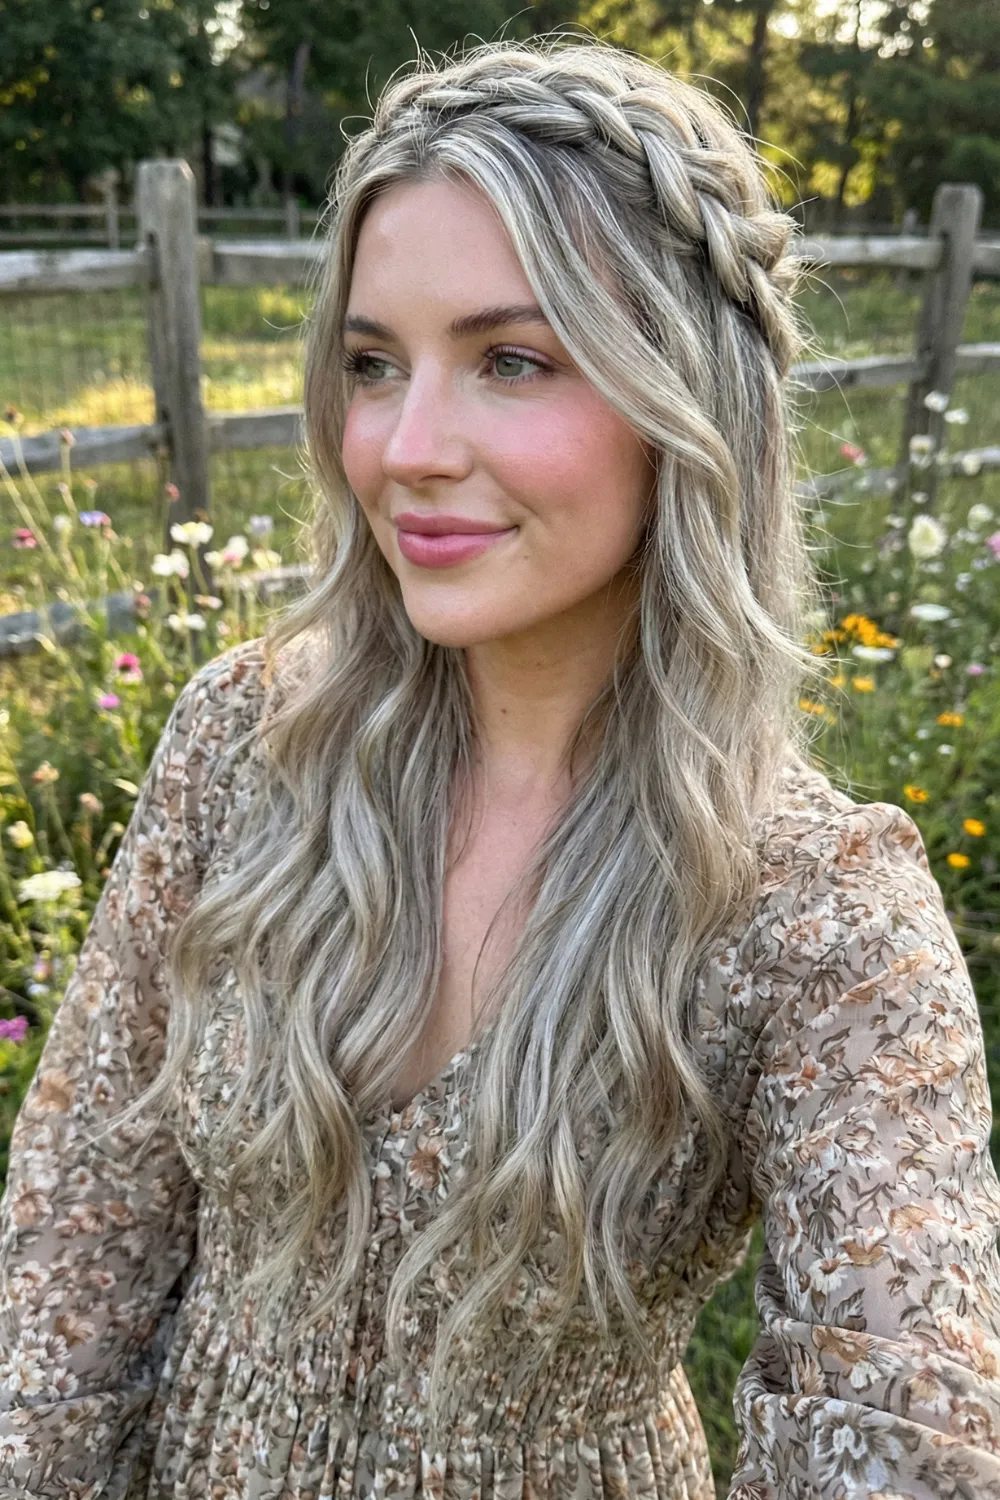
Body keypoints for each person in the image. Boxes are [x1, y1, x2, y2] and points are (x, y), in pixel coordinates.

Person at [1, 35, 999, 1500]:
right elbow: (73, 1246)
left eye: (511, 360)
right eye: (371, 365)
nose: (404, 448)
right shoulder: (246, 744)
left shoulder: (816, 914)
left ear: (691, 402)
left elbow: (910, 1416)